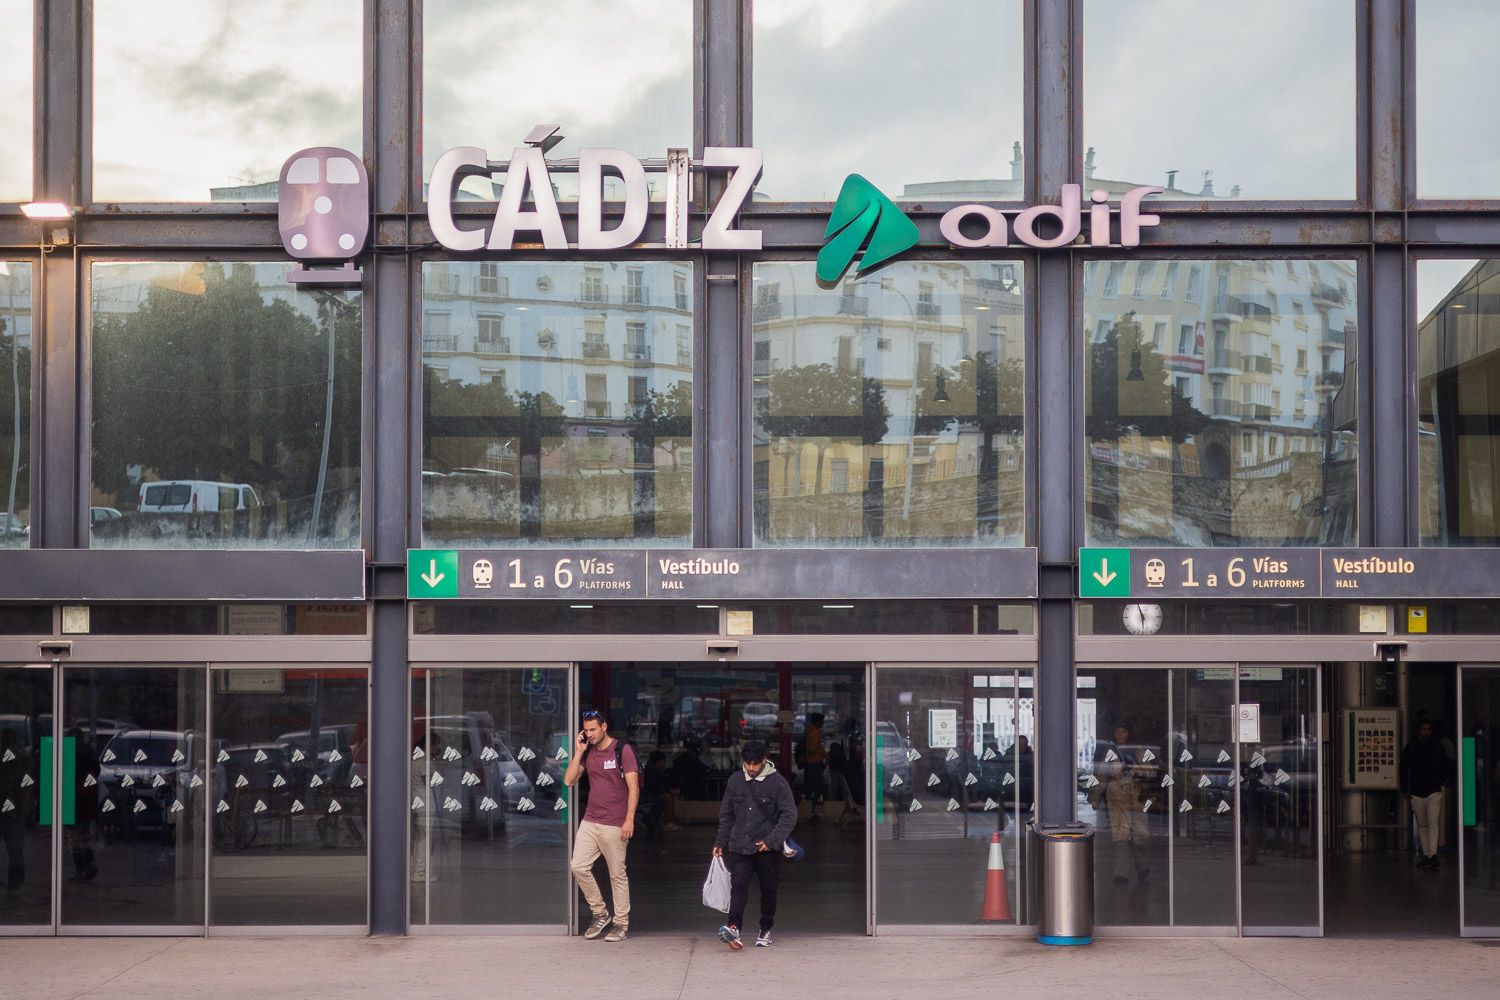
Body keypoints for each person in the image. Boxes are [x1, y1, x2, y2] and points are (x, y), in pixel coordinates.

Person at [713, 740, 797, 950]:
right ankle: (733, 928)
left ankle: (765, 928)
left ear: (764, 760)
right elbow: (727, 815)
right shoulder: (735, 780)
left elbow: (789, 815)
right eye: (748, 763)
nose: (751, 768)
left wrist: (771, 841)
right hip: (740, 845)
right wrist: (720, 841)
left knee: (768, 889)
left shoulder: (777, 783)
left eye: (755, 764)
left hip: (766, 848)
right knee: (738, 888)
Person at [564, 710, 639, 942]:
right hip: (590, 820)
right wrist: (579, 751)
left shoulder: (622, 750)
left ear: (604, 727)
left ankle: (621, 924)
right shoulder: (588, 752)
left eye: (593, 729)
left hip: (615, 823)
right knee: (578, 866)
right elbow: (569, 780)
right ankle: (600, 913)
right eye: (586, 730)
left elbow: (634, 787)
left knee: (617, 874)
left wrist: (629, 819)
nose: (590, 734)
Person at [1095, 722, 1154, 886]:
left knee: (1139, 836)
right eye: (1117, 731)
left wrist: (1137, 773)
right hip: (1117, 800)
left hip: (1137, 799)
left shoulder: (1139, 751)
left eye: (1123, 731)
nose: (1120, 735)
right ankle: (1121, 874)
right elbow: (1102, 775)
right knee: (1120, 837)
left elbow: (1150, 772)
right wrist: (1095, 796)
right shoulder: (1110, 752)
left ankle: (1143, 868)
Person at [1401, 717, 1450, 869]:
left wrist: (1405, 789)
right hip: (1429, 790)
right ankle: (1430, 855)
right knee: (1429, 824)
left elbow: (1404, 769)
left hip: (1423, 791)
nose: (1426, 732)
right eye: (1424, 729)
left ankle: (1429, 855)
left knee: (1426, 824)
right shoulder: (1437, 747)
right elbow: (1446, 766)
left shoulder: (1412, 747)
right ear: (1419, 730)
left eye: (1428, 730)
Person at [641, 750, 680, 833]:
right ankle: (667, 823)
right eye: (663, 762)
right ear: (658, 762)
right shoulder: (651, 773)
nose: (664, 764)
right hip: (646, 796)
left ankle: (667, 822)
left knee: (667, 796)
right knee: (667, 797)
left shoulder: (652, 771)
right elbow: (653, 788)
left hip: (649, 794)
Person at [800, 713, 827, 823]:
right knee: (819, 786)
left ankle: (809, 809)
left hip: (811, 762)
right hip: (814, 763)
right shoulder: (815, 732)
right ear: (817, 721)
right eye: (822, 721)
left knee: (811, 786)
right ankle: (811, 808)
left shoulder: (810, 731)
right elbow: (814, 748)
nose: (823, 723)